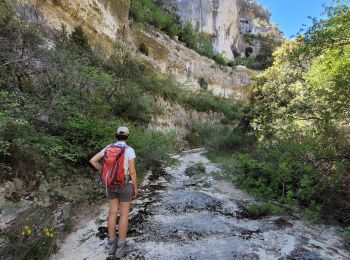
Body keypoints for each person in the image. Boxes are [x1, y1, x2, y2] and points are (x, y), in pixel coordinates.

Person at [90, 126, 138, 258]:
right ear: (127, 136)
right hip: (124, 184)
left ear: (116, 136)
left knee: (112, 213)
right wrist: (135, 187)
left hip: (110, 184)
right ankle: (121, 248)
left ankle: (111, 246)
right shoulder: (129, 150)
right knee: (123, 215)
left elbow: (93, 160)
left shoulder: (108, 148)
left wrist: (104, 172)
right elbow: (132, 172)